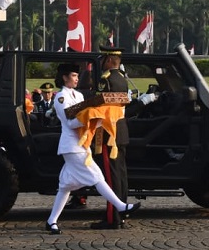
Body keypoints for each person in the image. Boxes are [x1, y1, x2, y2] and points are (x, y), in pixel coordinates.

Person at [44, 63, 139, 234]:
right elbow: (71, 123)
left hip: (82, 144)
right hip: (71, 145)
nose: (77, 78)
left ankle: (51, 221)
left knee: (66, 186)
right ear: (65, 77)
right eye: (74, 75)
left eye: (77, 76)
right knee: (97, 176)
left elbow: (87, 112)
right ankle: (121, 206)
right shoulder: (61, 98)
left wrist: (99, 115)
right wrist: (94, 117)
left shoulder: (79, 95)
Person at [92, 46, 131, 229]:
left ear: (108, 60)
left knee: (110, 177)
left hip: (109, 132)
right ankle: (121, 213)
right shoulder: (123, 80)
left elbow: (100, 106)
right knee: (121, 175)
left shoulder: (105, 80)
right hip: (121, 130)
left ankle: (112, 217)